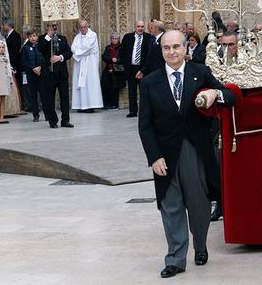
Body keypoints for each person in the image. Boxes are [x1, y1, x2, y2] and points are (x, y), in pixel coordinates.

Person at [138, 30, 236, 278]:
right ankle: (175, 258)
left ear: (186, 49)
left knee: (199, 204)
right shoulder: (150, 82)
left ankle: (200, 245)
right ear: (161, 51)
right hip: (165, 154)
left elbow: (231, 96)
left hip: (195, 150)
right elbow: (145, 125)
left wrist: (216, 94)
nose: (171, 52)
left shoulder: (200, 74)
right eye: (166, 48)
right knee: (170, 206)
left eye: (176, 47)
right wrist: (154, 156)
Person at [38, 22, 73, 128]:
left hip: (62, 73)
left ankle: (65, 120)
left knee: (64, 97)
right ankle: (53, 120)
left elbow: (69, 52)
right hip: (49, 73)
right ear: (47, 27)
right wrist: (49, 36)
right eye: (52, 25)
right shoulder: (42, 38)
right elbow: (41, 48)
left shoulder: (62, 38)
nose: (54, 27)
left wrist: (60, 57)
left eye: (55, 25)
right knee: (49, 98)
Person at [118, 20, 152, 118]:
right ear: (135, 27)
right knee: (132, 91)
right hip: (131, 68)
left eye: (142, 26)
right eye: (138, 26)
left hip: (143, 69)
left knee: (144, 92)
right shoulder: (127, 37)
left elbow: (150, 56)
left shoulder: (149, 38)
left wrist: (143, 70)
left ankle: (144, 112)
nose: (140, 28)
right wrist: (126, 64)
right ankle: (133, 111)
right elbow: (122, 52)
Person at [71, 19, 104, 112]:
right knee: (80, 84)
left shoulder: (92, 35)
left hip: (90, 63)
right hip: (79, 63)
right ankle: (81, 106)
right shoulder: (77, 37)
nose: (83, 29)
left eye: (84, 27)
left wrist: (78, 52)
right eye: (81, 27)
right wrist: (78, 52)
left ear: (87, 26)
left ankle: (90, 105)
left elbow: (88, 48)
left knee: (89, 84)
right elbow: (73, 48)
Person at [21, 30, 44, 122]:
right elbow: (24, 61)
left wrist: (40, 67)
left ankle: (47, 114)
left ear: (37, 36)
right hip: (31, 74)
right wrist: (33, 69)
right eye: (30, 36)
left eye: (34, 36)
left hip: (41, 73)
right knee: (33, 95)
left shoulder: (41, 47)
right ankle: (35, 114)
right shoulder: (25, 48)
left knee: (44, 94)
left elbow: (44, 58)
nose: (32, 38)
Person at [101, 32, 125, 109]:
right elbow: (104, 57)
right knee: (105, 85)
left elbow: (125, 58)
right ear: (111, 39)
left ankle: (115, 104)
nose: (114, 40)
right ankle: (107, 104)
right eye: (113, 38)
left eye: (116, 38)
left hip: (118, 70)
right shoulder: (108, 47)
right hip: (109, 69)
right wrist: (111, 59)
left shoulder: (122, 48)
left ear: (118, 39)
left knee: (115, 87)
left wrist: (117, 60)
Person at [3, 18, 23, 103]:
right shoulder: (7, 36)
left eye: (4, 25)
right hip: (8, 63)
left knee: (17, 84)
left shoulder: (15, 35)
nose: (3, 27)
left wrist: (12, 65)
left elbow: (15, 52)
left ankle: (19, 102)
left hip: (14, 64)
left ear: (8, 25)